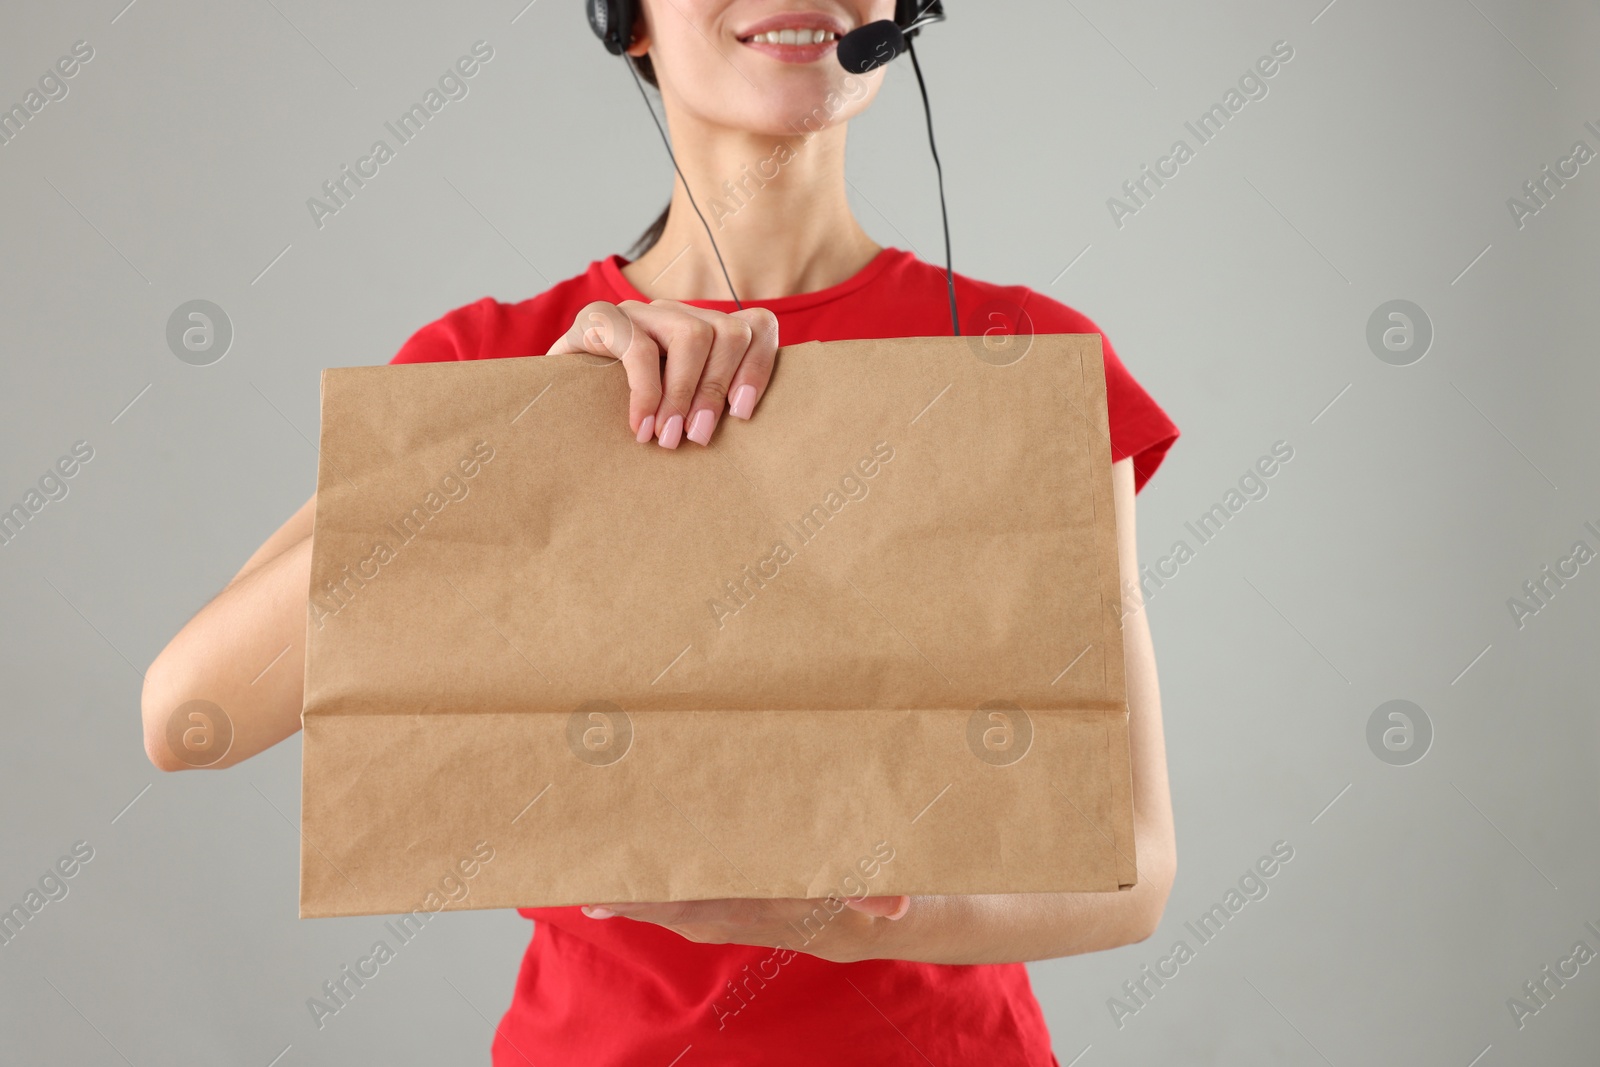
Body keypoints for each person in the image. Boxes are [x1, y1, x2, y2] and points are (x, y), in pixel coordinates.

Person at [141, 2, 1181, 1063]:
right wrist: (519, 435)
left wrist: (847, 915)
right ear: (626, 16)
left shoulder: (1023, 360)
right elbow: (190, 713)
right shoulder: (494, 361)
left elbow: (1134, 867)